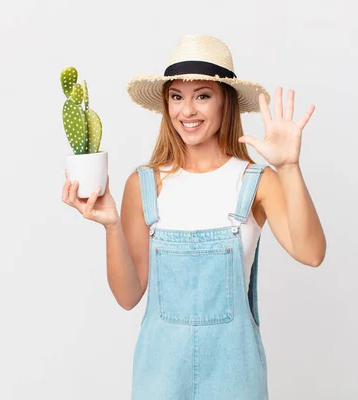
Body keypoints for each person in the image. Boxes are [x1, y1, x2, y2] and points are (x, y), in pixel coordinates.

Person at [62, 33, 326, 400]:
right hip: (159, 382)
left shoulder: (258, 182)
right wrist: (111, 226)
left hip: (236, 381)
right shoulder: (143, 184)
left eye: (203, 95)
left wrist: (290, 167)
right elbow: (127, 296)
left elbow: (311, 253)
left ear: (225, 103)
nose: (187, 111)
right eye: (176, 97)